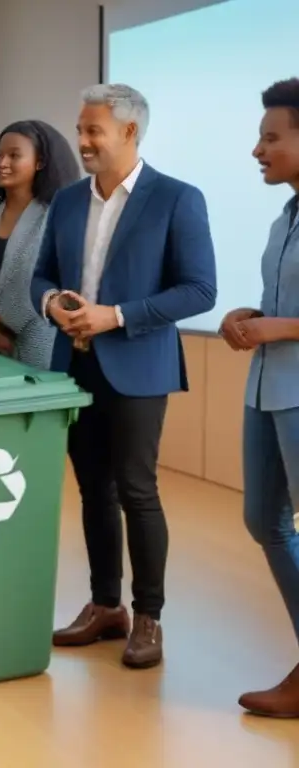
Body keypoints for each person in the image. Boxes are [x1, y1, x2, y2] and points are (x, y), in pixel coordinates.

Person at [30, 84, 217, 669]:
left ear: (129, 132)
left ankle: (149, 617)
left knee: (137, 490)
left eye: (93, 131)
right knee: (93, 490)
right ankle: (105, 605)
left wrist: (115, 316)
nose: (81, 141)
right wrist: (52, 306)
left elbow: (199, 290)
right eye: (81, 129)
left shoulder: (177, 199)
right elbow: (41, 277)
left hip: (139, 365)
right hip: (75, 364)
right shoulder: (64, 202)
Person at [220, 77, 299, 717]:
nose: (257, 150)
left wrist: (285, 326)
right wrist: (251, 313)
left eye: (270, 138)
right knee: (263, 522)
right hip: (266, 389)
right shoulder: (285, 216)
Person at [0, 120, 81, 367]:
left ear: (40, 162)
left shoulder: (59, 216)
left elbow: (64, 287)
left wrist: (3, 328)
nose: (2, 164)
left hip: (40, 352)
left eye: (14, 156)